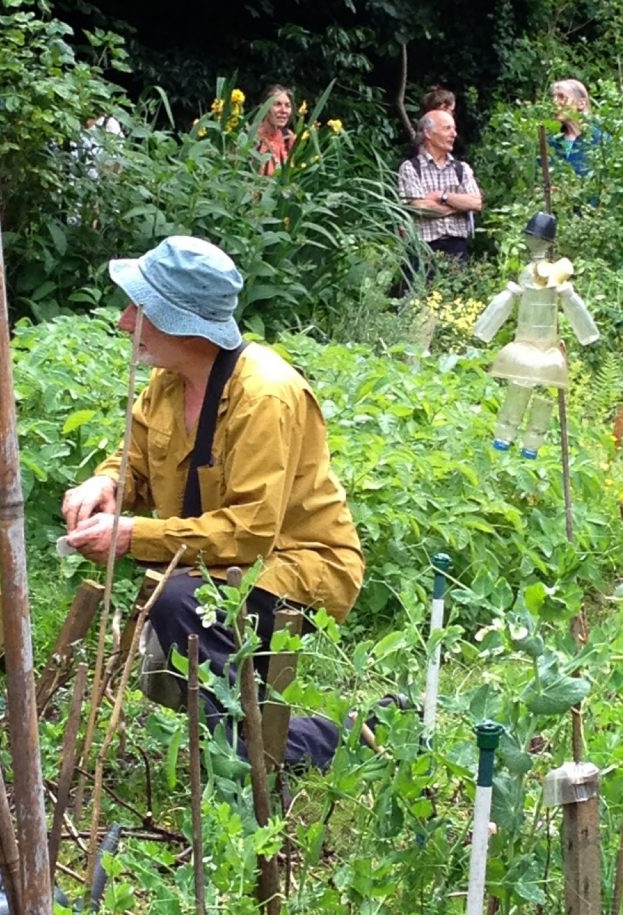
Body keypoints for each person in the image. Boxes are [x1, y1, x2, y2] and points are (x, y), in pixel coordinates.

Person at [60, 236, 364, 769]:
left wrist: (133, 537)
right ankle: (284, 742)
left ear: (181, 321)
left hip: (298, 566)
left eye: (140, 308)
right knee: (181, 600)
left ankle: (249, 763)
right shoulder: (168, 383)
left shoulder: (265, 395)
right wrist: (104, 485)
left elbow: (251, 532)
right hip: (221, 564)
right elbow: (132, 460)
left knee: (180, 601)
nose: (124, 321)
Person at [472, 213, 598, 458]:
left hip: (546, 346)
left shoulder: (554, 273)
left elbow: (572, 305)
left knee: (543, 395)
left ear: (548, 242)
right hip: (524, 342)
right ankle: (504, 436)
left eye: (536, 237)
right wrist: (485, 327)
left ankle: (531, 442)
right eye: (530, 236)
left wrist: (586, 332)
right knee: (518, 388)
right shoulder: (529, 272)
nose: (532, 241)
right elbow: (509, 299)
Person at [397, 109, 482, 266]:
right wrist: (459, 207)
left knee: (458, 289)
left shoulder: (461, 168)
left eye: (454, 129)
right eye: (447, 128)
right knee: (420, 290)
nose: (454, 134)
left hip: (457, 248)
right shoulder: (410, 168)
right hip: (422, 250)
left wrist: (443, 196)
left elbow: (476, 203)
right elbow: (420, 207)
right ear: (428, 133)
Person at [549, 78, 606, 178]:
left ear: (581, 103)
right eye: (554, 98)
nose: (555, 102)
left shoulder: (600, 140)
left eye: (561, 97)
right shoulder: (551, 142)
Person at [255, 84, 295, 176]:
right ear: (263, 108)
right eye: (277, 104)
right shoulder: (252, 138)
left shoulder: (288, 138)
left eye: (288, 106)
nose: (283, 110)